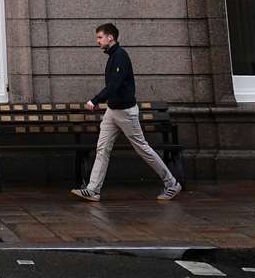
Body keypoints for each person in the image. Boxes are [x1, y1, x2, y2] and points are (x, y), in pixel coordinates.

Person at [71, 22, 182, 203]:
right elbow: (114, 87)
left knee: (142, 148)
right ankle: (93, 190)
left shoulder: (120, 56)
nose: (97, 41)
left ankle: (172, 183)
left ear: (110, 37)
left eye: (99, 37)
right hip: (112, 111)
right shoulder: (113, 57)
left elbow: (114, 85)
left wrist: (95, 100)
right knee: (102, 149)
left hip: (125, 112)